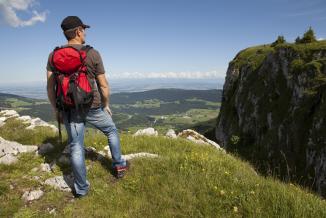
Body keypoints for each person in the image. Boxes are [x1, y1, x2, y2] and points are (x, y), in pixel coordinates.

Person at [46, 16, 128, 198]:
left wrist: (56, 109)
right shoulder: (92, 53)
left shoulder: (54, 55)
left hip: (68, 108)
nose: (85, 33)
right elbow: (104, 85)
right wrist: (106, 105)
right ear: (78, 31)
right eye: (84, 29)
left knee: (76, 147)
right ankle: (119, 165)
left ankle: (81, 190)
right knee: (111, 131)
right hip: (92, 105)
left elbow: (50, 86)